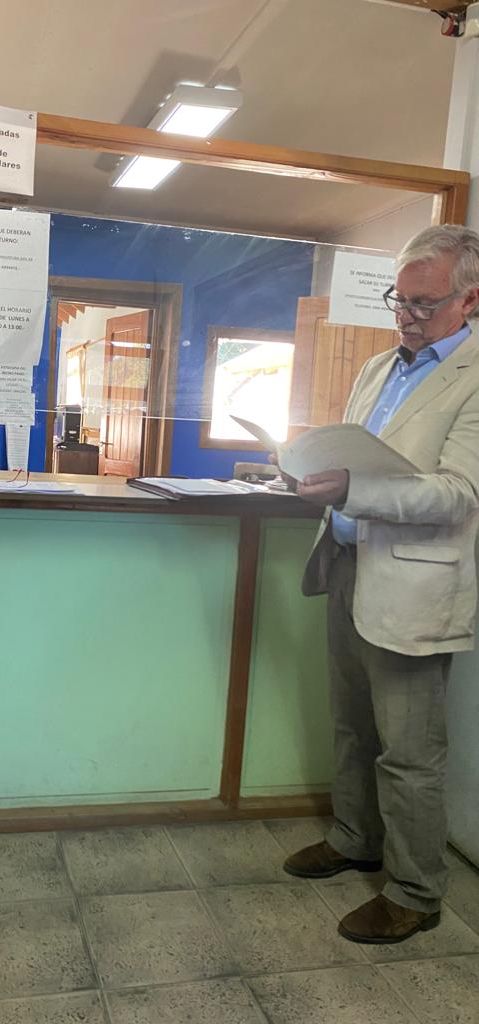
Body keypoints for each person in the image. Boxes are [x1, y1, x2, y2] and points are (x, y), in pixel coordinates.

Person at [282, 224, 479, 944]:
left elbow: (458, 492)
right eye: (401, 300)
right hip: (346, 563)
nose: (407, 316)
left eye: (425, 303)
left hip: (414, 589)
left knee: (409, 752)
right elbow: (356, 452)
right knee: (352, 724)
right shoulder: (377, 367)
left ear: (470, 300)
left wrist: (352, 489)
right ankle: (354, 837)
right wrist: (313, 472)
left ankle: (415, 892)